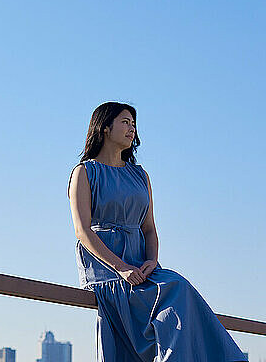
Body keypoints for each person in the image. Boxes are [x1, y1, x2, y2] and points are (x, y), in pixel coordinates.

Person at [67, 101, 248, 362]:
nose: (132, 129)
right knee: (174, 292)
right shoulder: (84, 172)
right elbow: (82, 231)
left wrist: (152, 261)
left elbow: (149, 229)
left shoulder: (141, 176)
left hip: (142, 268)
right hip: (107, 270)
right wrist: (121, 268)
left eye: (133, 124)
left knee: (178, 291)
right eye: (125, 122)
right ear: (105, 128)